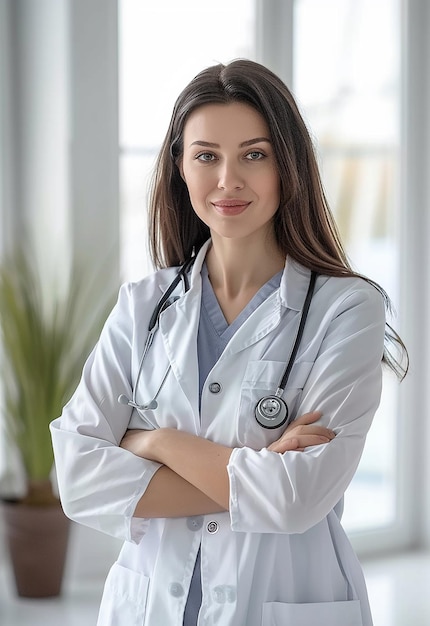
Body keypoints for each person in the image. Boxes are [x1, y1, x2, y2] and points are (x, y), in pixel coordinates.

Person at [50, 59, 407, 626]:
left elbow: (298, 500)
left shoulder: (346, 308)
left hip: (280, 601)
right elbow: (77, 479)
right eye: (207, 156)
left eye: (254, 154)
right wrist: (258, 472)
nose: (228, 181)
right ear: (180, 167)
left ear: (288, 166)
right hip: (150, 605)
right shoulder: (143, 305)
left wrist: (157, 442)